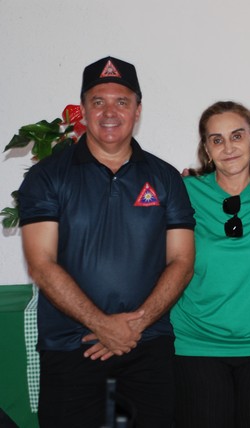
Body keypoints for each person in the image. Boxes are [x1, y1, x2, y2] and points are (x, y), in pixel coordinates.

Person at [18, 56, 195, 428]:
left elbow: (181, 261)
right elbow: (41, 263)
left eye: (122, 101)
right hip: (71, 348)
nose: (110, 112)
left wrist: (134, 326)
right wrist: (101, 324)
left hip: (147, 346)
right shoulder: (46, 177)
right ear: (83, 109)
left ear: (137, 110)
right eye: (98, 101)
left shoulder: (165, 178)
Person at [170, 101, 250, 428]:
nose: (228, 147)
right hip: (197, 344)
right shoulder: (183, 190)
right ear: (207, 150)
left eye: (237, 136)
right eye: (217, 140)